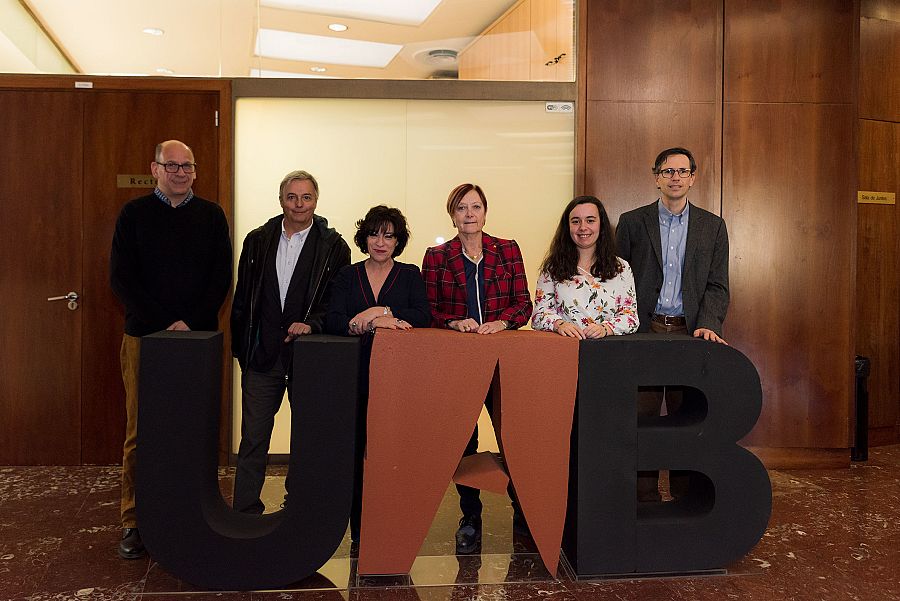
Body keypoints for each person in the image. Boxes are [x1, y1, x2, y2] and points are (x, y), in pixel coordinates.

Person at [110, 139, 232, 559]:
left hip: (196, 341)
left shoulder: (212, 216)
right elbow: (122, 279)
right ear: (155, 168)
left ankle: (186, 514)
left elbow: (220, 278)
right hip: (144, 338)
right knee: (140, 432)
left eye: (188, 167)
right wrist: (165, 322)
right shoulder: (134, 215)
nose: (181, 173)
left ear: (195, 172)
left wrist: (189, 322)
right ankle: (134, 520)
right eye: (172, 166)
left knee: (192, 429)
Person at [421, 183, 533, 554]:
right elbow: (429, 311)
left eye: (475, 207)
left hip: (504, 359)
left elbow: (524, 305)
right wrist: (453, 322)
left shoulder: (507, 250)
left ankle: (524, 512)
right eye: (461, 208)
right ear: (452, 215)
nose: (469, 214)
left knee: (513, 437)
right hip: (459, 364)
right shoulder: (436, 257)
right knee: (464, 442)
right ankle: (470, 516)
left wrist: (502, 323)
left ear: (486, 212)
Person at [231, 170, 350, 514]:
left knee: (306, 439)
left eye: (306, 197)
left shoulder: (334, 247)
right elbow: (243, 299)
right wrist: (243, 350)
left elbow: (335, 302)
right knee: (253, 438)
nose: (299, 204)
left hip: (309, 359)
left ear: (316, 200)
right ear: (281, 199)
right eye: (292, 197)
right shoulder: (257, 240)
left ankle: (297, 507)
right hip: (262, 357)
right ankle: (244, 510)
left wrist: (312, 324)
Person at [616, 147, 730, 501]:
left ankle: (685, 500)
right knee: (641, 421)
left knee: (686, 421)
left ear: (693, 177)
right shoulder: (633, 222)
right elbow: (616, 279)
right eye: (668, 171)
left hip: (690, 333)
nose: (675, 177)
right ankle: (643, 499)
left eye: (682, 171)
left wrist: (709, 323)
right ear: (656, 178)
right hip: (643, 331)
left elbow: (717, 284)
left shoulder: (713, 226)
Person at [325, 205, 432, 545]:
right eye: (374, 234)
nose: (380, 242)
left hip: (398, 379)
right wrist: (374, 321)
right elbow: (334, 320)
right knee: (358, 453)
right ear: (364, 237)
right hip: (354, 377)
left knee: (393, 454)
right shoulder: (347, 275)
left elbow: (423, 316)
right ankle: (359, 531)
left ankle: (392, 528)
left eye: (389, 235)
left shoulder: (411, 275)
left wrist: (380, 311)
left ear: (398, 240)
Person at [532, 195, 639, 337]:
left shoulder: (620, 268)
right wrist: (559, 325)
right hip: (566, 350)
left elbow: (631, 318)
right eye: (576, 221)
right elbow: (539, 315)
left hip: (610, 351)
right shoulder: (552, 268)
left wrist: (606, 328)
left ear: (601, 225)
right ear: (567, 227)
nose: (583, 227)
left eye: (590, 220)